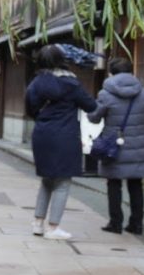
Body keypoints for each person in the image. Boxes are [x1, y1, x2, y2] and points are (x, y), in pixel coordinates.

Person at [25, 44, 97, 240]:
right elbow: (91, 106)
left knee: (47, 180)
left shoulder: (36, 83)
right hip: (65, 135)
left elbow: (30, 108)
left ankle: (38, 223)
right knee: (63, 182)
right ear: (62, 60)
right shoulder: (71, 84)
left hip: (41, 133)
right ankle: (53, 227)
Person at [88, 58, 144, 235]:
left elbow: (94, 117)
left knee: (114, 183)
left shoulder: (106, 94)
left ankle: (115, 223)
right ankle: (136, 224)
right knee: (136, 184)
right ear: (131, 71)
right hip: (138, 145)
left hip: (113, 145)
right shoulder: (143, 93)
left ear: (111, 73)